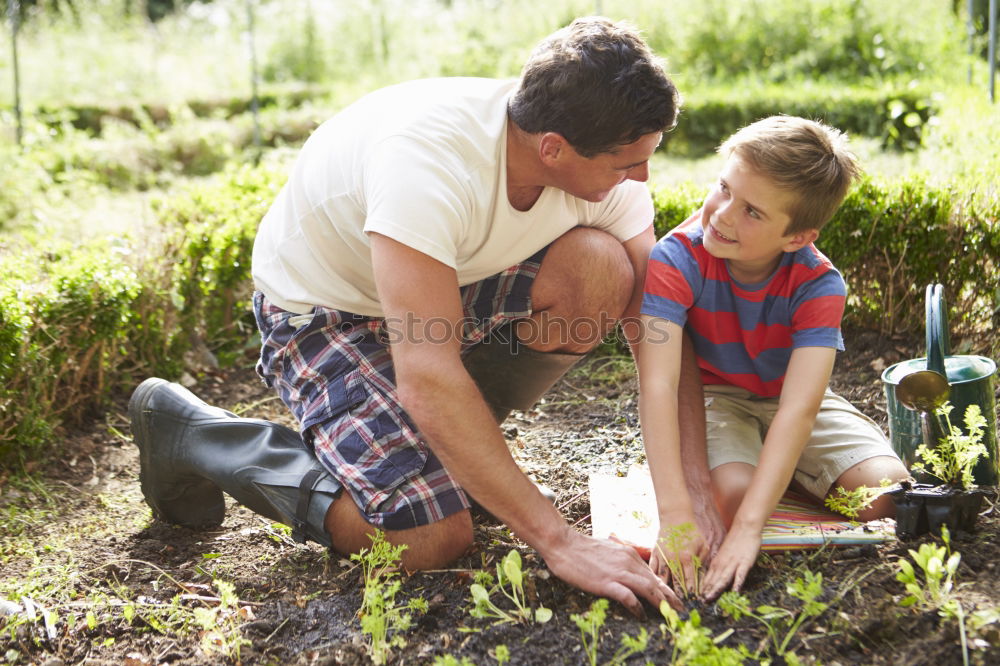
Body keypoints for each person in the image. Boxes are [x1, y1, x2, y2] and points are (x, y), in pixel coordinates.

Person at [129, 16, 685, 615]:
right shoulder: (427, 163)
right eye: (626, 164)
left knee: (600, 271)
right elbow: (428, 373)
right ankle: (195, 435)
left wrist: (689, 500)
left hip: (440, 291)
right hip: (325, 312)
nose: (642, 177)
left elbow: (655, 321)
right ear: (552, 147)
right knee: (427, 536)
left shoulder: (595, 142)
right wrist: (559, 540)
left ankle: (447, 451)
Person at [633, 115, 910, 600]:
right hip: (718, 398)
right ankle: (770, 475)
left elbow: (800, 408)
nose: (721, 215)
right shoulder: (674, 258)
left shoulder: (819, 285)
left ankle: (779, 474)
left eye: (753, 213)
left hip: (791, 402)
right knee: (733, 498)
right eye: (723, 188)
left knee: (886, 497)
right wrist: (677, 514)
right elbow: (658, 385)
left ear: (797, 237)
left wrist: (750, 530)